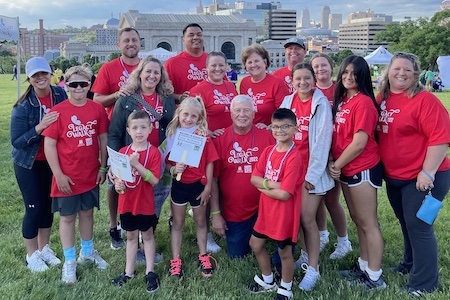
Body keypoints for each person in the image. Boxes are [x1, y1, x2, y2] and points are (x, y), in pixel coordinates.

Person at [376, 52, 450, 297]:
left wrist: (426, 173)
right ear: (389, 71)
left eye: (407, 69)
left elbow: (440, 140)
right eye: (397, 68)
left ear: (415, 73)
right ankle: (409, 265)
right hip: (396, 177)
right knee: (406, 224)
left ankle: (424, 283)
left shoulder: (424, 100)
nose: (401, 73)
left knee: (420, 226)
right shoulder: (383, 99)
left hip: (427, 177)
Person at [43, 65, 109, 284]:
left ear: (90, 84)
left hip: (90, 173)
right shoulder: (58, 111)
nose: (79, 88)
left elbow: (102, 138)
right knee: (68, 217)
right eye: (73, 84)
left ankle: (87, 253)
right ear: (66, 85)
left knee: (88, 213)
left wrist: (102, 167)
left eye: (83, 84)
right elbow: (49, 145)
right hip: (67, 177)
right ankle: (70, 261)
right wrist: (58, 174)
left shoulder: (97, 108)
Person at [329, 55, 386, 290]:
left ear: (362, 76)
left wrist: (337, 164)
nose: (349, 77)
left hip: (361, 167)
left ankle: (375, 277)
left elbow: (360, 142)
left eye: (354, 73)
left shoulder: (363, 102)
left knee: (368, 223)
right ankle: (364, 264)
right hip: (346, 168)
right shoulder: (344, 99)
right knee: (357, 220)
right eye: (345, 72)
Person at [279, 63, 334, 291]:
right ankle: (303, 255)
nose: (303, 83)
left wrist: (312, 174)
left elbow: (322, 142)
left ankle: (313, 269)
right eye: (298, 79)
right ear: (292, 81)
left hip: (311, 172)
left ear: (314, 79)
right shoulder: (287, 102)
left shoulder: (320, 103)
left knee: (307, 219)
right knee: (296, 217)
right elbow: (280, 134)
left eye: (307, 78)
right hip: (291, 171)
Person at [10, 57, 67, 273]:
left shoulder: (59, 93)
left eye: (44, 73)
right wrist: (39, 127)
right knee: (33, 208)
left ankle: (44, 249)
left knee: (48, 207)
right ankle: (31, 254)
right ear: (29, 79)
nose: (41, 78)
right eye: (35, 75)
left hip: (52, 161)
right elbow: (16, 142)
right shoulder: (23, 107)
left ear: (50, 73)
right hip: (29, 163)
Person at [92, 27, 141, 249]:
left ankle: (138, 226)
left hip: (142, 134)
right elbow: (97, 100)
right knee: (115, 181)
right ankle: (115, 227)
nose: (131, 43)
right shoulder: (109, 68)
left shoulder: (146, 67)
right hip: (117, 132)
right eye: (126, 40)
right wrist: (116, 95)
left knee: (140, 179)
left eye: (134, 40)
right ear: (119, 45)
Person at [247, 108, 303, 300]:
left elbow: (285, 195)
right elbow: (254, 179)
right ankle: (268, 279)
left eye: (286, 126)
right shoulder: (268, 151)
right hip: (266, 212)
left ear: (295, 129)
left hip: (284, 215)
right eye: (276, 127)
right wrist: (270, 184)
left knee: (284, 252)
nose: (280, 131)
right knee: (255, 244)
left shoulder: (294, 157)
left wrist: (262, 188)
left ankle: (286, 288)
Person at [210, 95, 275, 258]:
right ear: (231, 114)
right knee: (237, 254)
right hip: (236, 211)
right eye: (237, 110)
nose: (242, 114)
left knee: (280, 249)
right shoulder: (220, 139)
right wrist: (216, 214)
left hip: (266, 208)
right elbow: (213, 180)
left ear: (254, 114)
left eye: (247, 110)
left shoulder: (268, 137)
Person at [164, 97, 219, 279]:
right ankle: (176, 260)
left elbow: (210, 162)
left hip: (198, 186)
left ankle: (203, 255)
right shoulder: (172, 134)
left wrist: (208, 187)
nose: (188, 119)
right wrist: (173, 168)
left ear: (199, 118)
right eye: (185, 114)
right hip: (179, 185)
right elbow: (166, 163)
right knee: (178, 223)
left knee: (201, 221)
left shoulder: (202, 136)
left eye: (193, 116)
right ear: (179, 113)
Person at [111, 111, 162, 293]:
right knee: (131, 237)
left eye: (143, 127)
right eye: (134, 128)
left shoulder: (154, 152)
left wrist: (137, 165)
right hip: (126, 204)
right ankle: (129, 271)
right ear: (128, 130)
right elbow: (117, 177)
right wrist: (117, 184)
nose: (139, 131)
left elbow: (155, 180)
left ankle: (150, 272)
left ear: (150, 129)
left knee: (147, 236)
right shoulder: (123, 152)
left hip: (145, 204)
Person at [310, 53, 352, 259]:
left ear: (331, 66)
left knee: (332, 199)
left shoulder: (340, 90)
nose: (320, 69)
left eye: (323, 65)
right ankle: (323, 234)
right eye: (315, 66)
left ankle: (344, 241)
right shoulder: (310, 91)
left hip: (336, 152)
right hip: (316, 152)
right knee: (316, 198)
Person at [239, 44, 290, 127]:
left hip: (270, 132)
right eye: (249, 62)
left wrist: (270, 126)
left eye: (256, 61)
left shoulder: (277, 83)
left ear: (265, 62)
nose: (253, 65)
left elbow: (285, 113)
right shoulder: (244, 83)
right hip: (248, 131)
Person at [189, 51, 238, 137]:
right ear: (206, 68)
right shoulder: (197, 90)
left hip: (232, 138)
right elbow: (189, 119)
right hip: (211, 139)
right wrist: (208, 132)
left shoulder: (230, 86)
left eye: (221, 65)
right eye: (214, 65)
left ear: (226, 67)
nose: (218, 69)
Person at [165, 23, 208, 103]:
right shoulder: (172, 63)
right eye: (191, 35)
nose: (196, 37)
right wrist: (179, 97)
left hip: (210, 112)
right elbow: (163, 91)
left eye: (199, 35)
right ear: (183, 39)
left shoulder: (212, 60)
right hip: (185, 112)